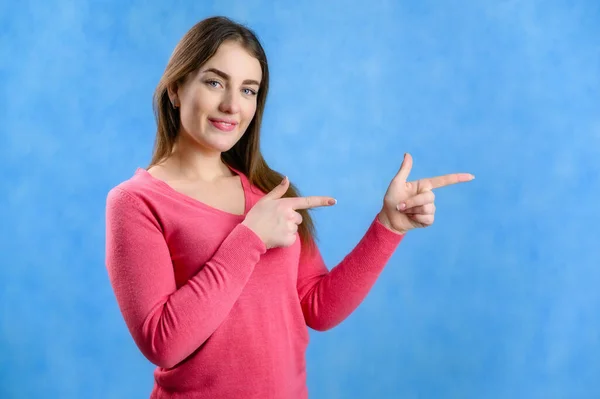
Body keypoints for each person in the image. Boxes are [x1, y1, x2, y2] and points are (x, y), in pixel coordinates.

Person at [104, 16, 474, 399]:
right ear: (177, 88)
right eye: (215, 82)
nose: (232, 105)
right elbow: (162, 343)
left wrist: (389, 227)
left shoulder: (270, 191)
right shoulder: (136, 202)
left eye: (249, 90)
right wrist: (248, 238)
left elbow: (318, 307)